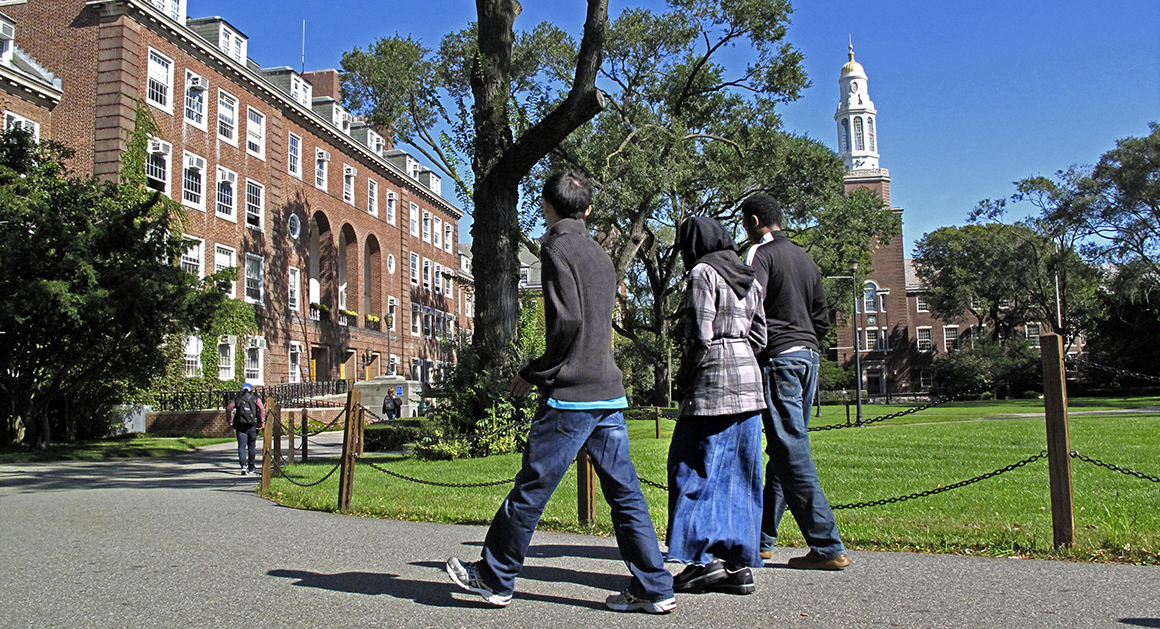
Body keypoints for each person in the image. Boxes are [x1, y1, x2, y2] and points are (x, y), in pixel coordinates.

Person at [445, 171, 675, 614]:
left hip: (570, 393)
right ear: (588, 209)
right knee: (626, 494)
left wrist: (535, 372)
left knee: (531, 489)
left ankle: (495, 577)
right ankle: (655, 588)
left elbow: (567, 322)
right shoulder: (601, 255)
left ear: (547, 207)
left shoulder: (554, 248)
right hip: (607, 392)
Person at [741, 193, 851, 570]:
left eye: (745, 223)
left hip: (780, 361)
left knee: (791, 450)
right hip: (809, 360)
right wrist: (808, 343)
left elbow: (749, 307)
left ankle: (827, 545)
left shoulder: (760, 254)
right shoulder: (807, 259)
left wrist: (756, 351)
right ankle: (761, 540)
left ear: (754, 220)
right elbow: (822, 317)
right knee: (784, 450)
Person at [666, 216, 767, 596]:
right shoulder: (749, 276)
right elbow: (760, 335)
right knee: (741, 474)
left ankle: (702, 561)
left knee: (692, 464)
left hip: (713, 381)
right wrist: (741, 353)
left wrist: (685, 377)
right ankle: (739, 566)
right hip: (749, 380)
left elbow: (700, 335)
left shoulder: (702, 274)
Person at [224, 383, 265, 476]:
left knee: (241, 446)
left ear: (242, 390)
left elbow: (228, 408)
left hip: (240, 426)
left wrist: (230, 420)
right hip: (252, 425)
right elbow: (262, 410)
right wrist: (261, 422)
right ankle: (251, 467)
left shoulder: (237, 399)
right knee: (251, 446)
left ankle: (243, 466)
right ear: (250, 390)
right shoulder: (256, 399)